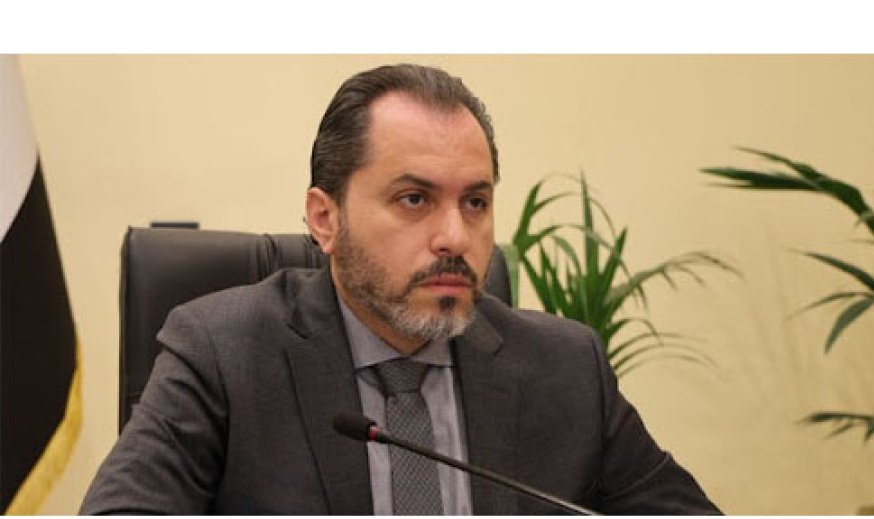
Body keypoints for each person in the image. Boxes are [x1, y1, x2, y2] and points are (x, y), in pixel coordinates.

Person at [80, 63, 720, 515]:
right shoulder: (222, 352)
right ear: (325, 218)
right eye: (414, 199)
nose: (455, 237)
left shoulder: (565, 368)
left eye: (475, 202)